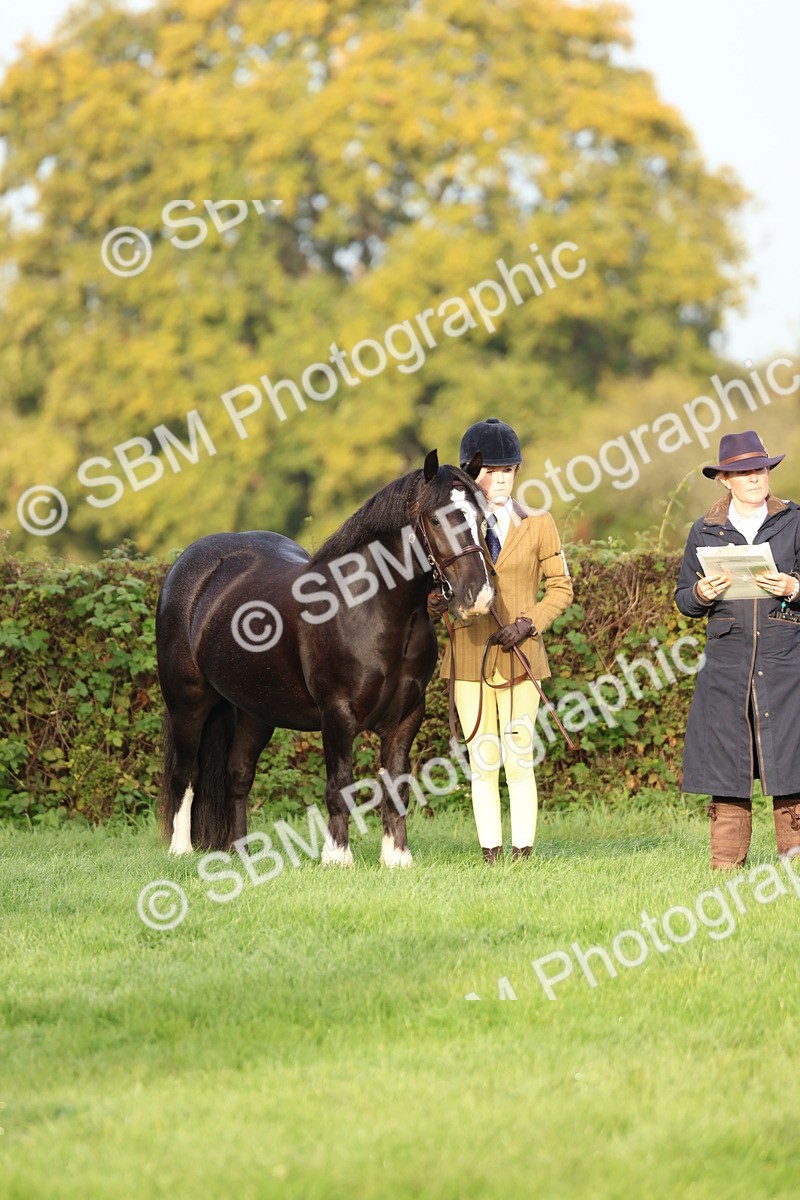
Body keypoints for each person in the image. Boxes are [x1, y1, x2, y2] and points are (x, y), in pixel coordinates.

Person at [433, 417, 573, 863]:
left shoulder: (538, 522)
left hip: (522, 654)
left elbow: (561, 588)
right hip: (468, 656)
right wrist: (432, 603)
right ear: (470, 474)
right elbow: (434, 584)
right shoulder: (451, 524)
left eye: (506, 471)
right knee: (482, 762)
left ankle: (523, 852)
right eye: (489, 471)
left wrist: (529, 623)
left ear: (517, 472)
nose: (498, 479)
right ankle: (490, 852)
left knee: (518, 756)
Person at [675, 430, 800, 869]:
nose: (754, 477)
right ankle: (725, 865)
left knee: (791, 759)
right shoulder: (704, 530)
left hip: (786, 659)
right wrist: (703, 593)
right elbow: (683, 600)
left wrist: (794, 586)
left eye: (760, 469)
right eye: (744, 471)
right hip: (727, 663)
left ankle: (794, 863)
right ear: (724, 479)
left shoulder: (795, 521)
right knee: (727, 764)